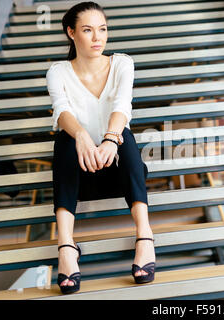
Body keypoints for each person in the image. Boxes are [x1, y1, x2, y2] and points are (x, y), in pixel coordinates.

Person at [46, 1, 155, 294]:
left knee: (127, 138)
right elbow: (61, 110)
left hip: (118, 170)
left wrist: (109, 139)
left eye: (102, 29)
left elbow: (122, 106)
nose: (97, 37)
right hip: (78, 172)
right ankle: (66, 246)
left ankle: (144, 236)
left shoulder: (122, 63)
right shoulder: (58, 71)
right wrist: (81, 135)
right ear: (71, 33)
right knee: (65, 140)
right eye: (87, 30)